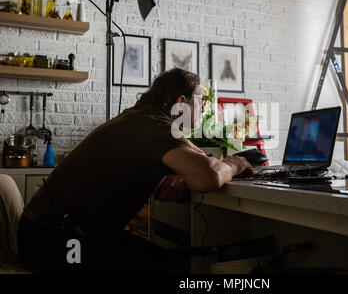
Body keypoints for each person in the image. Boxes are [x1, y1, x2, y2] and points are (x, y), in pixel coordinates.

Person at [17, 68, 254, 274]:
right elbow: (209, 176)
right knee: (161, 267)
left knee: (158, 261)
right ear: (182, 102)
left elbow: (196, 158)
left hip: (45, 234)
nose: (204, 108)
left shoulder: (142, 117)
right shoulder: (155, 127)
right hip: (56, 243)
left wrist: (172, 173)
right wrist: (236, 163)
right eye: (201, 100)